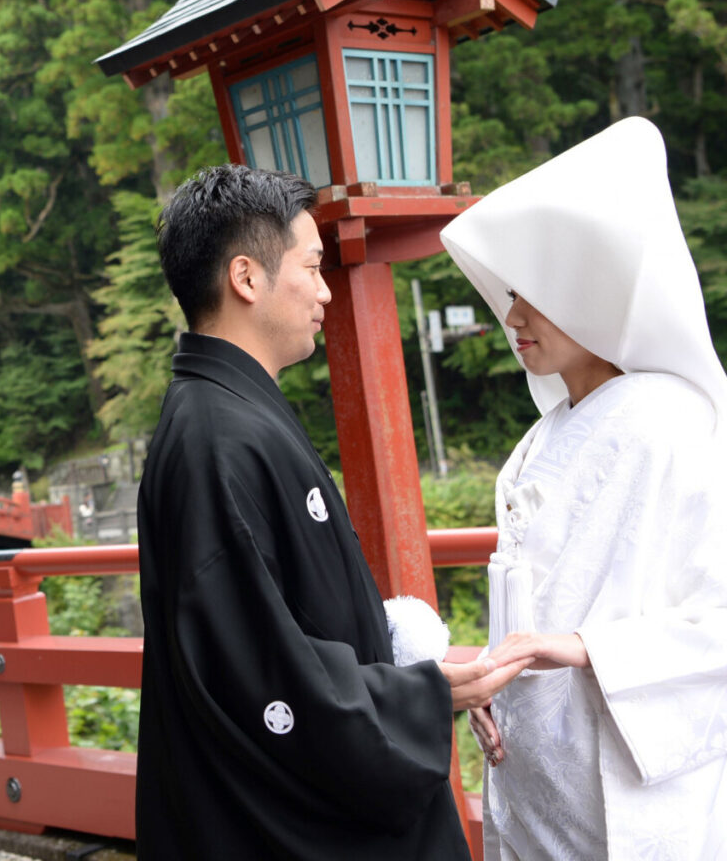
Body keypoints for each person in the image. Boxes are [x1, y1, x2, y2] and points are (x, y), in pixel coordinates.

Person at [135, 163, 533, 861]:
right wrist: (417, 693)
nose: (325, 291)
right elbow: (256, 674)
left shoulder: (224, 414)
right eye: (313, 267)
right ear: (247, 278)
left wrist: (397, 652)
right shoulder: (218, 438)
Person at [440, 117, 727, 861]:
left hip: (625, 779)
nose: (512, 319)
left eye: (534, 295)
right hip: (534, 772)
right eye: (510, 295)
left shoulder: (674, 423)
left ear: (594, 292)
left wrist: (587, 646)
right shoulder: (538, 440)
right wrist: (491, 684)